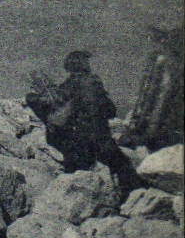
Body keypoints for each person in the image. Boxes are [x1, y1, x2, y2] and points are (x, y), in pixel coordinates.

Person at [28, 50, 140, 195]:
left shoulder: (65, 86)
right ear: (84, 64)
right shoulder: (91, 83)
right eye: (87, 61)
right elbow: (110, 110)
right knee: (122, 166)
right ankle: (132, 197)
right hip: (97, 137)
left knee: (74, 177)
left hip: (72, 142)